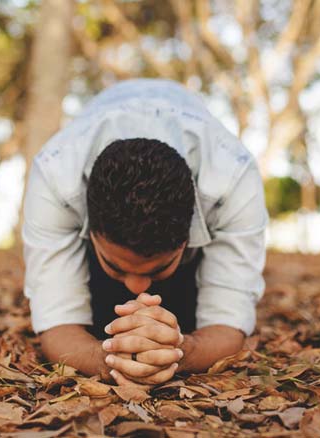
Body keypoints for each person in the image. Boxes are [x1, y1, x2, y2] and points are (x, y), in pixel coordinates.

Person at [21, 79, 268, 385]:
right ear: (91, 229)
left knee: (182, 312)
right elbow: (57, 322)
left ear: (187, 236)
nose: (137, 287)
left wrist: (180, 352)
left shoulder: (233, 177)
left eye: (161, 266)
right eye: (115, 264)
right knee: (103, 317)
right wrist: (104, 358)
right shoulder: (55, 174)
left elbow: (228, 321)